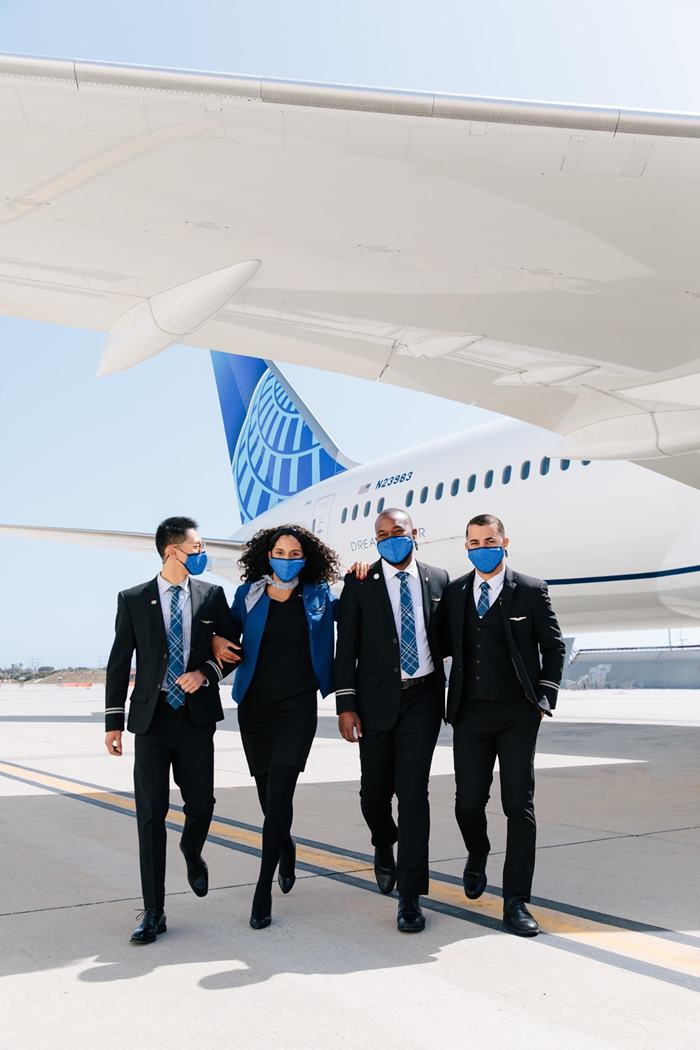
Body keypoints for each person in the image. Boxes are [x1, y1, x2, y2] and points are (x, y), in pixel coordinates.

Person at [104, 516, 239, 945]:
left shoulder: (212, 595)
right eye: (196, 548)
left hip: (196, 718)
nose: (202, 554)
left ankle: (192, 849)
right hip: (153, 719)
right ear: (171, 551)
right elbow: (118, 660)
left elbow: (235, 649)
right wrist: (113, 721)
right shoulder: (133, 599)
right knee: (150, 815)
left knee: (201, 804)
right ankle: (154, 911)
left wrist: (206, 672)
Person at [440, 513, 565, 936]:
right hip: (470, 714)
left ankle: (515, 900)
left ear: (505, 541)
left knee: (518, 805)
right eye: (473, 542)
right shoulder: (456, 592)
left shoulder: (530, 589)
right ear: (467, 547)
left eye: (489, 540)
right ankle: (478, 852)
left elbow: (553, 646)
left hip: (517, 714)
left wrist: (543, 699)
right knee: (467, 803)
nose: (481, 548)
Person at [211, 524, 341, 930]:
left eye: (294, 553)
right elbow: (223, 633)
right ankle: (285, 846)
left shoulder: (320, 595)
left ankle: (262, 889)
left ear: (308, 556)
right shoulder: (247, 595)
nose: (287, 559)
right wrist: (216, 641)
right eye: (280, 553)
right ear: (267, 557)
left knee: (281, 795)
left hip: (297, 708)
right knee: (269, 802)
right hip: (255, 708)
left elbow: (359, 617)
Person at [334, 508, 449, 933]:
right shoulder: (361, 581)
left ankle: (411, 897)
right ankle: (383, 841)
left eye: (397, 531)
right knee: (374, 795)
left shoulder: (438, 579)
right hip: (374, 701)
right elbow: (345, 646)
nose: (390, 538)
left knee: (414, 795)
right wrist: (346, 704)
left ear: (414, 533)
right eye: (381, 534)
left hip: (422, 696)